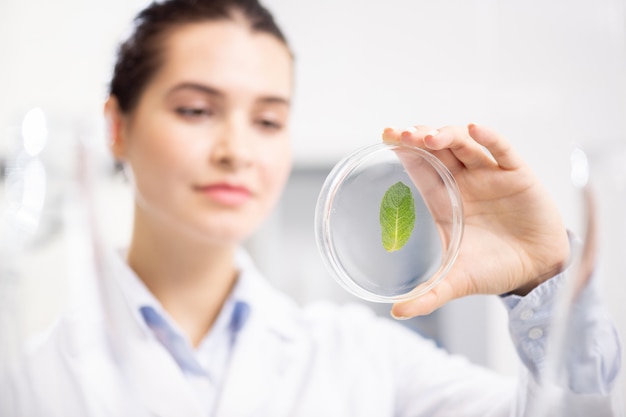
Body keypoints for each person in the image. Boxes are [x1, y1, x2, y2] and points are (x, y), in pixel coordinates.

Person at [0, 0, 621, 416]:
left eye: (268, 120)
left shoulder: (365, 359)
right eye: (195, 109)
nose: (236, 150)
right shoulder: (28, 377)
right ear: (116, 125)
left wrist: (546, 283)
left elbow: (579, 406)